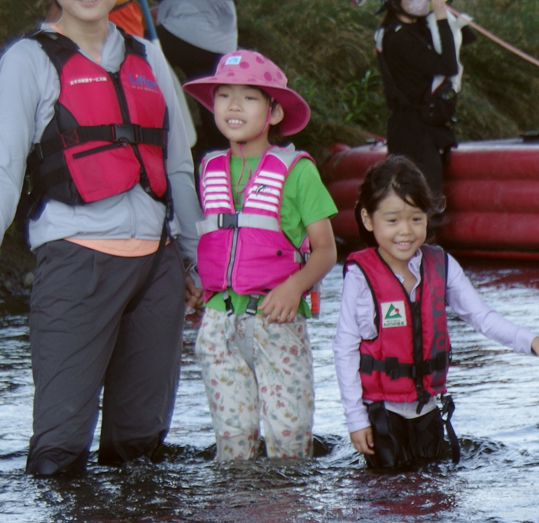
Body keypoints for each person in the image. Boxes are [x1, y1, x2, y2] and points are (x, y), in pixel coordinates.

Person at [0, 0, 202, 477]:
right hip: (76, 263)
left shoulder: (150, 58)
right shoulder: (26, 62)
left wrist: (195, 262)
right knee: (59, 452)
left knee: (139, 448)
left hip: (157, 267)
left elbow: (177, 167)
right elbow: (5, 171)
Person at [334, 155, 539, 470]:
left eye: (416, 218)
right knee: (389, 499)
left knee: (433, 500)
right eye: (392, 220)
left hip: (429, 409)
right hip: (381, 414)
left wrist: (533, 343)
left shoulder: (441, 265)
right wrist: (355, 419)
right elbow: (344, 348)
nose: (406, 231)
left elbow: (482, 317)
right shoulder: (360, 276)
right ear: (367, 219)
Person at [183, 50, 336, 460]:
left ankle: (285, 519)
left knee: (289, 441)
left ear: (273, 113)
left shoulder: (298, 170)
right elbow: (219, 243)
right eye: (223, 95)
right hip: (218, 324)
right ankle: (238, 522)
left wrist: (293, 289)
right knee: (232, 445)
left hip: (276, 320)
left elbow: (325, 251)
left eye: (249, 97)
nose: (233, 106)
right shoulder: (209, 167)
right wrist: (198, 281)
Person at [375, 0, 470, 200]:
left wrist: (441, 11)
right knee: (423, 200)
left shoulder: (417, 27)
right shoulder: (399, 37)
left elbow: (466, 37)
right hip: (412, 132)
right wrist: (441, 16)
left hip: (425, 128)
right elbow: (448, 65)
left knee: (427, 198)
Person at [155, 0, 238, 163]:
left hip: (189, 29)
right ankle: (223, 162)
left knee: (133, 49)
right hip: (222, 38)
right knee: (209, 101)